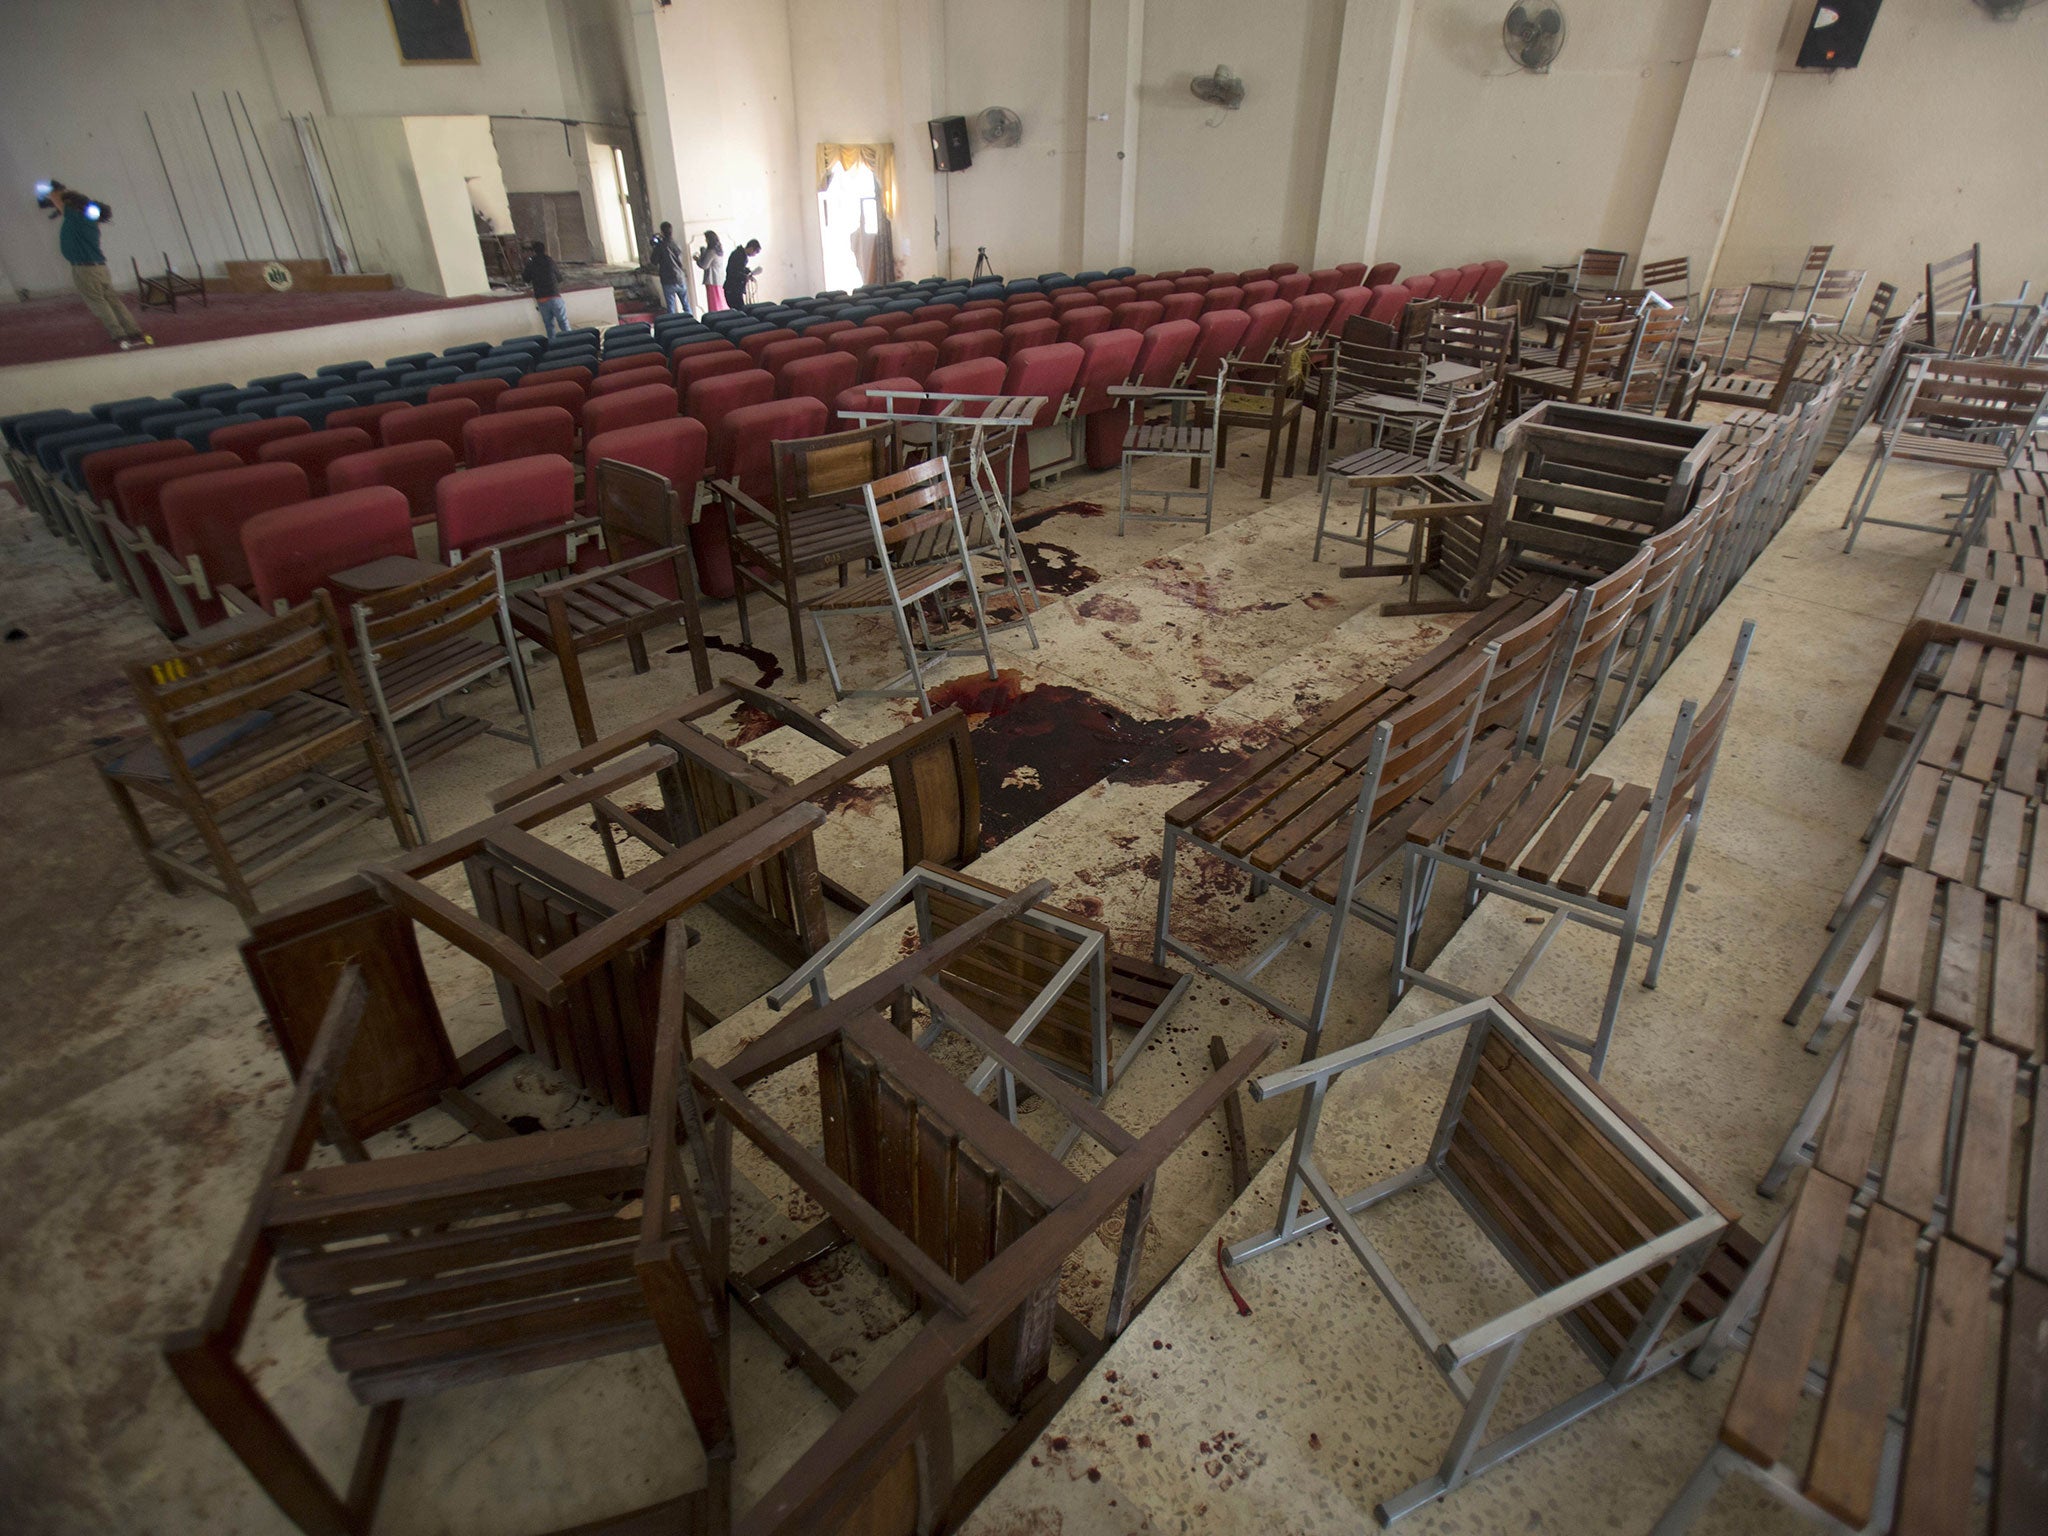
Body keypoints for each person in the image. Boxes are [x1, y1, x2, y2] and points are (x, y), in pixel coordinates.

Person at [40, 180, 150, 351]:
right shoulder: (91, 222)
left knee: (99, 303)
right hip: (100, 268)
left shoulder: (75, 218)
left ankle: (118, 334)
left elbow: (58, 200)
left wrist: (53, 188)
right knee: (113, 301)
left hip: (85, 270)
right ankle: (133, 331)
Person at [522, 239, 568, 338]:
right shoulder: (549, 260)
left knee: (549, 325)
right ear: (544, 250)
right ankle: (572, 342)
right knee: (563, 322)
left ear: (533, 251)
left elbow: (526, 279)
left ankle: (553, 346)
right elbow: (559, 278)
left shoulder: (531, 263)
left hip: (541, 298)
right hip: (555, 296)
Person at [650, 220, 690, 316]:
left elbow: (654, 261)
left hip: (668, 279)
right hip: (680, 278)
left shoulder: (660, 246)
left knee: (671, 308)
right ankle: (692, 322)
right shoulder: (676, 244)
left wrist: (654, 247)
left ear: (662, 232)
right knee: (686, 305)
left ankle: (673, 328)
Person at [723, 238, 761, 312]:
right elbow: (733, 272)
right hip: (733, 289)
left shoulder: (740, 254)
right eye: (755, 252)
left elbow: (739, 268)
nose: (754, 255)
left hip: (734, 289)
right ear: (751, 248)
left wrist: (748, 272)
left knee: (740, 310)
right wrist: (745, 276)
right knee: (740, 311)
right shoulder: (739, 255)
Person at [695, 229, 726, 312]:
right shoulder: (719, 250)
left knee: (714, 303)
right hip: (720, 278)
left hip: (712, 279)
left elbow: (704, 265)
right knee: (720, 301)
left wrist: (697, 259)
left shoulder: (711, 252)